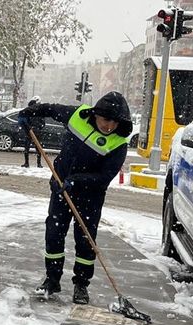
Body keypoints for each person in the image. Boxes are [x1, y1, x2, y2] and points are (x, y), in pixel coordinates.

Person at [18, 92, 132, 304]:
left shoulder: (118, 144)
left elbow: (104, 177)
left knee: (86, 240)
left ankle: (81, 285)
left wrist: (76, 181)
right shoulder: (77, 116)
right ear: (96, 114)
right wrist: (29, 113)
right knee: (54, 233)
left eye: (115, 122)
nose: (109, 126)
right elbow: (51, 108)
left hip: (90, 197)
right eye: (106, 120)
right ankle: (52, 280)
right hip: (60, 188)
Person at [21, 96, 44, 168]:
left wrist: (29, 127)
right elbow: (43, 123)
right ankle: (38, 163)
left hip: (31, 131)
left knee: (28, 148)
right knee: (38, 148)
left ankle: (27, 163)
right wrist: (38, 127)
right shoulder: (39, 112)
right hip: (33, 131)